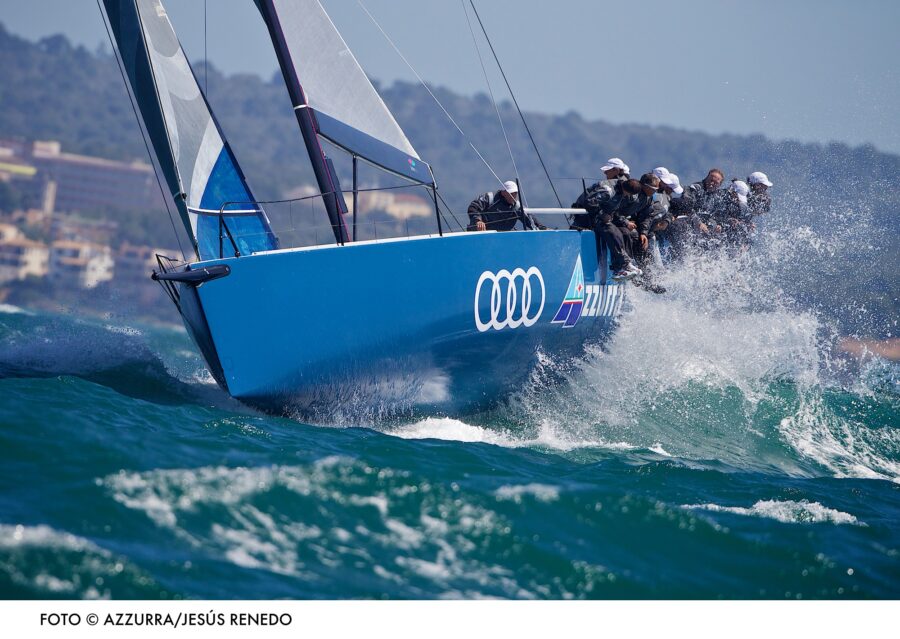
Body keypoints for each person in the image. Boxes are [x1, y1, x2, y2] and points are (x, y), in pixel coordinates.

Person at [570, 158, 630, 230]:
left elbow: (591, 203)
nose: (605, 172)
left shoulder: (615, 187)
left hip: (590, 219)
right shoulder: (621, 185)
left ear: (616, 170)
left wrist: (604, 215)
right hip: (590, 219)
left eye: (608, 170)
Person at [467, 180, 534, 231]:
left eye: (515, 193)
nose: (513, 196)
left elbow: (531, 220)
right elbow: (473, 207)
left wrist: (541, 228)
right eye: (511, 193)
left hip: (503, 239)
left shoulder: (517, 207)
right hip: (483, 235)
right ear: (503, 192)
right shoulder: (489, 198)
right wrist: (478, 221)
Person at [717, 180, 753, 248]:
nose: (738, 199)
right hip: (715, 229)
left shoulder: (739, 203)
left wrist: (748, 224)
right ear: (732, 190)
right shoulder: (719, 197)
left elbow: (745, 218)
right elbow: (713, 215)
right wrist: (728, 220)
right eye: (737, 196)